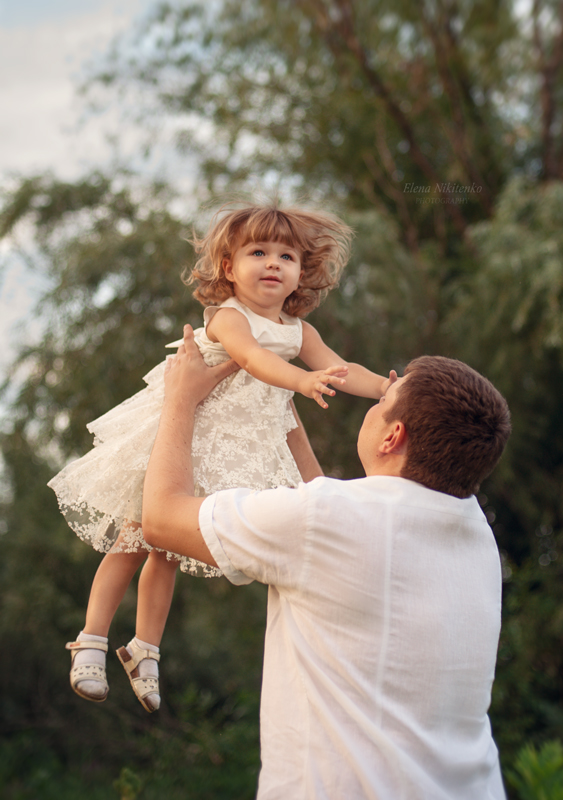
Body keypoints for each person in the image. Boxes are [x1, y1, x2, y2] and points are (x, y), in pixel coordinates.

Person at [48, 204, 395, 713]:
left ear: (302, 272)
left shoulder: (300, 331)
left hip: (228, 448)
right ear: (229, 268)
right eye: (258, 253)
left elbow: (342, 369)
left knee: (166, 549)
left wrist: (387, 388)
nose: (273, 263)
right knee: (132, 538)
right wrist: (302, 380)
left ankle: (145, 649)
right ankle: (90, 639)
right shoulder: (229, 317)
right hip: (179, 437)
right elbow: (254, 358)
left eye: (287, 256)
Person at [142, 328, 511, 800]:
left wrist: (181, 399)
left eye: (383, 400)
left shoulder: (329, 520)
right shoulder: (476, 534)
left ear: (393, 436)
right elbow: (331, 527)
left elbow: (161, 518)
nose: (374, 403)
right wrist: (281, 408)